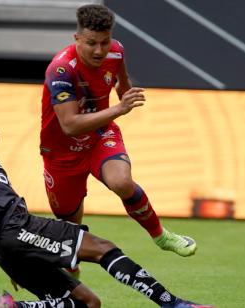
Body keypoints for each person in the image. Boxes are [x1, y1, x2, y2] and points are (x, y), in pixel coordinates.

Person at [0, 105, 212, 308]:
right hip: (17, 228)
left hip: (4, 249)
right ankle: (173, 304)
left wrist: (8, 267)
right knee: (103, 248)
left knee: (88, 303)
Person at [40, 4, 196, 274]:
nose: (99, 50)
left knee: (122, 181)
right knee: (70, 230)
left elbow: (122, 85)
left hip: (100, 135)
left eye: (105, 41)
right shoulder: (62, 70)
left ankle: (161, 236)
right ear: (77, 39)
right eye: (91, 43)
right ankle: (72, 279)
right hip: (62, 152)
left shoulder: (116, 51)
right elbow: (69, 125)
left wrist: (127, 95)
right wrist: (118, 108)